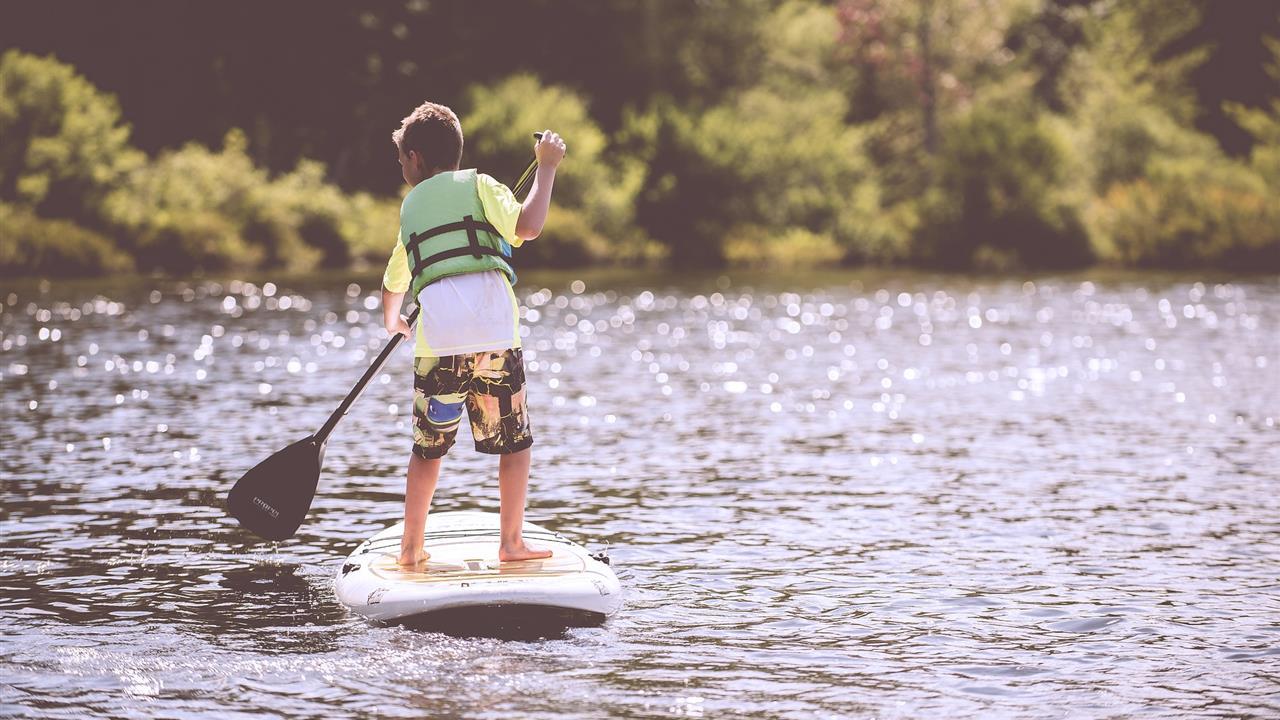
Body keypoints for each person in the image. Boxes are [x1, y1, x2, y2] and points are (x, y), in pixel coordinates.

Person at [380, 101, 565, 567]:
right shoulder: (482, 185)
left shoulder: (410, 207)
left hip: (438, 345)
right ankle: (511, 544)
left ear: (416, 158)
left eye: (402, 158)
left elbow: (394, 281)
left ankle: (410, 549)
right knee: (515, 443)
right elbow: (529, 225)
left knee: (428, 451)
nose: (402, 166)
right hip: (495, 339)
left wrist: (393, 321)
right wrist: (546, 170)